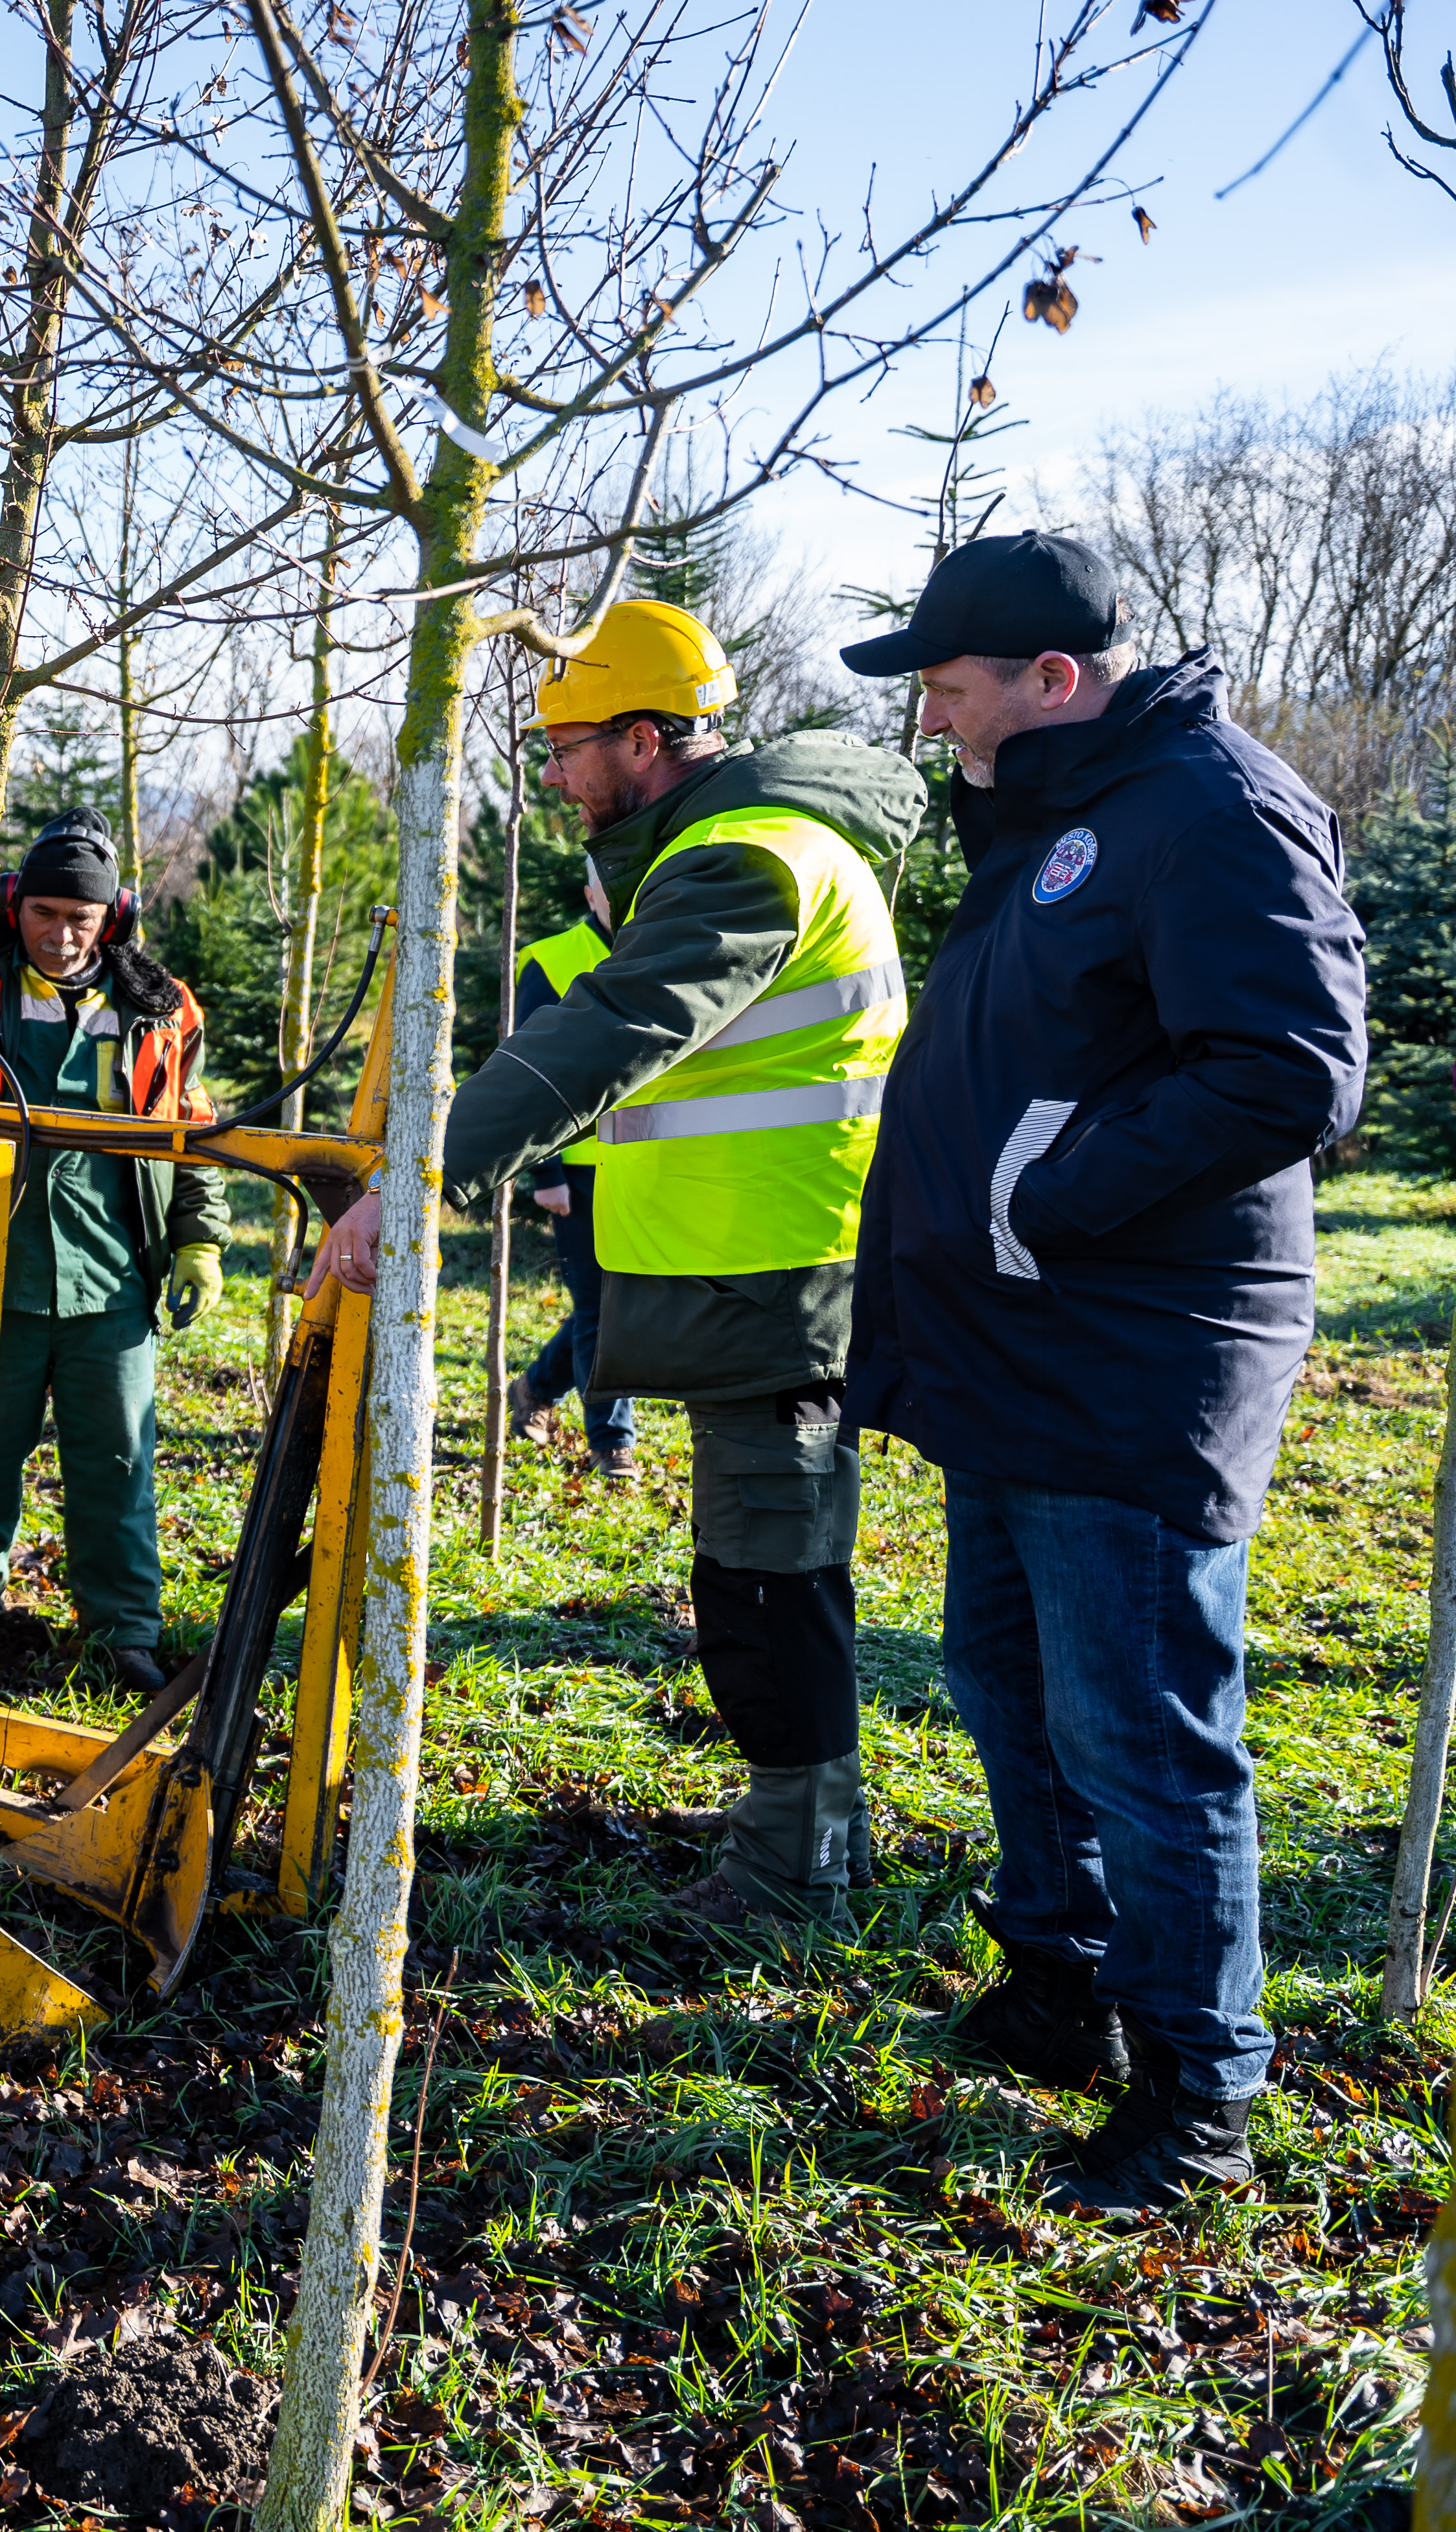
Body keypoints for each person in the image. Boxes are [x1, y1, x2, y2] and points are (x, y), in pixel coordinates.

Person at [840, 530, 1365, 2212]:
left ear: (1053, 677)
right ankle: (1062, 1980)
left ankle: (1199, 2090)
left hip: (1134, 1353)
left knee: (1141, 1731)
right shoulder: (1070, 811)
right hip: (1021, 1340)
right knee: (1004, 1681)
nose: (934, 720)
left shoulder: (1210, 808)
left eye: (950, 689)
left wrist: (1043, 1197)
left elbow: (1290, 1066)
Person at [316, 600, 926, 1934]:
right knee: (766, 1575)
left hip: (776, 1273)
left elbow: (609, 1034)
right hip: (750, 1268)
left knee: (767, 1587)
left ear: (644, 740)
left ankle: (794, 1874)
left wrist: (417, 1180)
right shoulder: (730, 848)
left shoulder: (746, 861)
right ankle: (809, 1824)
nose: (551, 775)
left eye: (567, 746)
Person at [0, 810, 229, 1694]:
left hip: (112, 1285)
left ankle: (124, 1636)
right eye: (44, 913)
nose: (61, 934)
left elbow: (191, 1130)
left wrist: (199, 1241)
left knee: (118, 1465)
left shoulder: (158, 1010)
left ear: (112, 918)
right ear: (14, 907)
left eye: (80, 918)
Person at [504, 901, 640, 1482]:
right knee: (600, 1306)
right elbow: (531, 1072)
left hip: (645, 1162)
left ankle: (535, 1387)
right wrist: (545, 1170)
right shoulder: (553, 959)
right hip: (579, 1170)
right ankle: (613, 1444)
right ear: (590, 893)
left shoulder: (659, 944)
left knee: (619, 1303)